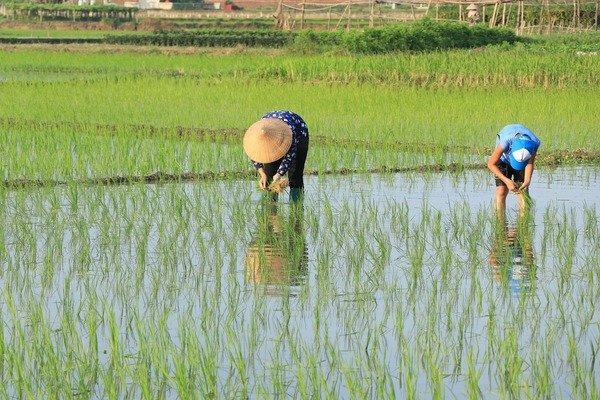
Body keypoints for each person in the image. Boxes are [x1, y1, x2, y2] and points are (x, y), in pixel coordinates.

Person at [243, 110, 309, 202]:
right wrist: (262, 174)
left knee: (295, 175)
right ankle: (270, 209)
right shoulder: (255, 136)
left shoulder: (290, 132)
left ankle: (296, 208)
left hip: (299, 132)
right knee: (269, 176)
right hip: (270, 129)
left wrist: (279, 174)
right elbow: (255, 155)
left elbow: (289, 158)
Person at [486, 124, 541, 218]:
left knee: (522, 191)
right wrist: (507, 181)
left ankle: (523, 223)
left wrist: (527, 181)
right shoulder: (505, 142)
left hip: (523, 160)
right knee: (501, 191)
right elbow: (491, 164)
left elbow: (530, 163)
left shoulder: (534, 143)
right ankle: (501, 222)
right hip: (502, 160)